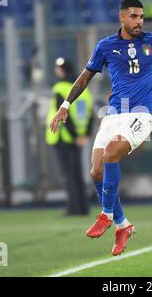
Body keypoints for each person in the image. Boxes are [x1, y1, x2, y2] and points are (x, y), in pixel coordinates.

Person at [49, 0, 152, 256]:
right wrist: (65, 106)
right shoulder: (106, 46)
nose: (140, 21)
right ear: (122, 18)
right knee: (95, 172)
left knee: (111, 153)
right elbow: (85, 77)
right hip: (115, 113)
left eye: (142, 16)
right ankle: (122, 224)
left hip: (142, 113)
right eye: (134, 16)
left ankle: (105, 214)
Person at [46, 57, 94, 216]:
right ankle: (83, 207)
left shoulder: (59, 88)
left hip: (64, 137)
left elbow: (64, 116)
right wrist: (84, 135)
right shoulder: (84, 89)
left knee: (69, 174)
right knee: (78, 174)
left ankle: (73, 208)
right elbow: (90, 115)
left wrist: (74, 135)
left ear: (62, 70)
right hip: (79, 138)